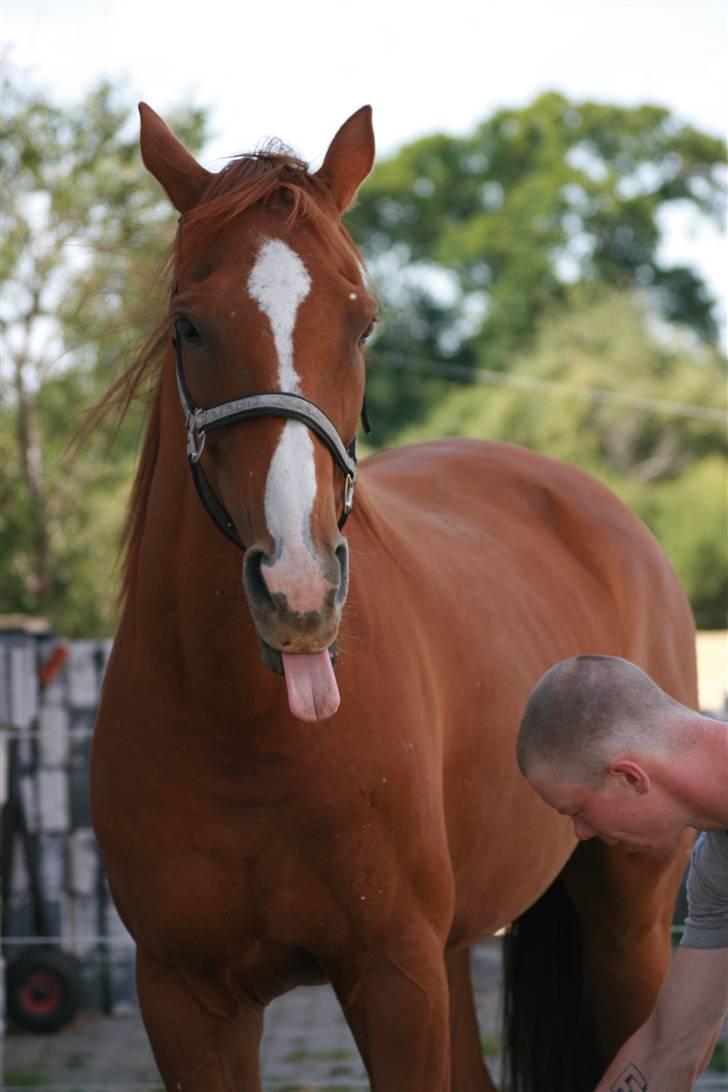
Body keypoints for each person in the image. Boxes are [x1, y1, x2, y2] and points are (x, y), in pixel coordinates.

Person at [517, 653, 728, 1092]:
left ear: (630, 777)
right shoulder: (716, 867)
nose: (583, 833)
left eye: (578, 811)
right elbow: (668, 1047)